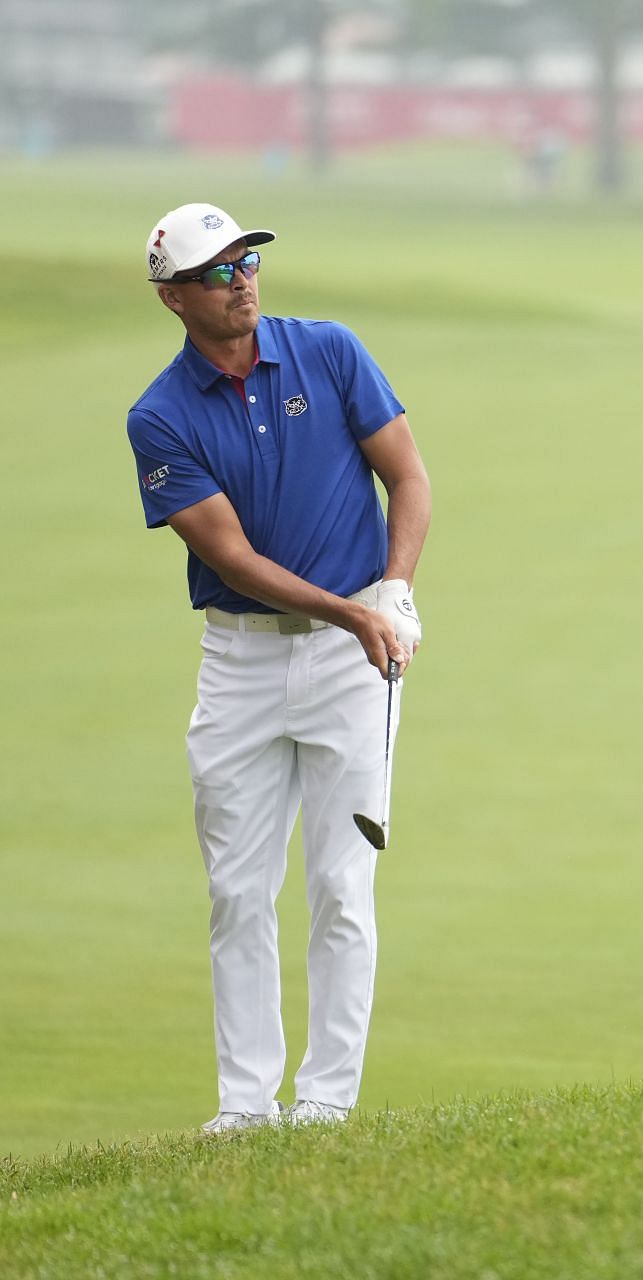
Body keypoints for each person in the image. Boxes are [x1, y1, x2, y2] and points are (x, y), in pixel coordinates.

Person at [126, 203, 432, 1134]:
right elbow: (232, 559)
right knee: (237, 891)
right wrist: (351, 608)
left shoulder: (329, 351)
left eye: (248, 263)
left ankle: (328, 1102)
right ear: (175, 296)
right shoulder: (160, 417)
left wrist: (394, 588)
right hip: (242, 663)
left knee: (343, 886)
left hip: (354, 662)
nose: (242, 282)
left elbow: (409, 478)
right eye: (218, 273)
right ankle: (244, 1107)